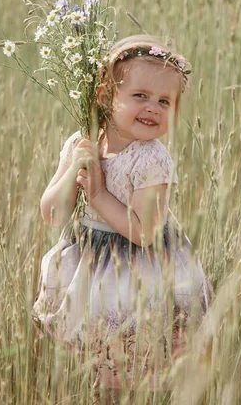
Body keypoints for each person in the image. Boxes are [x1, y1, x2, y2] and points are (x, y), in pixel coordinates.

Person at [33, 34, 212, 391]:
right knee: (87, 360)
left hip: (140, 272)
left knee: (134, 360)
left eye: (165, 101)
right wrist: (75, 171)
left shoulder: (152, 158)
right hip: (87, 263)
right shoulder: (82, 141)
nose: (153, 108)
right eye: (141, 96)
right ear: (105, 96)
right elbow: (52, 214)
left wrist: (97, 193)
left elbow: (145, 232)